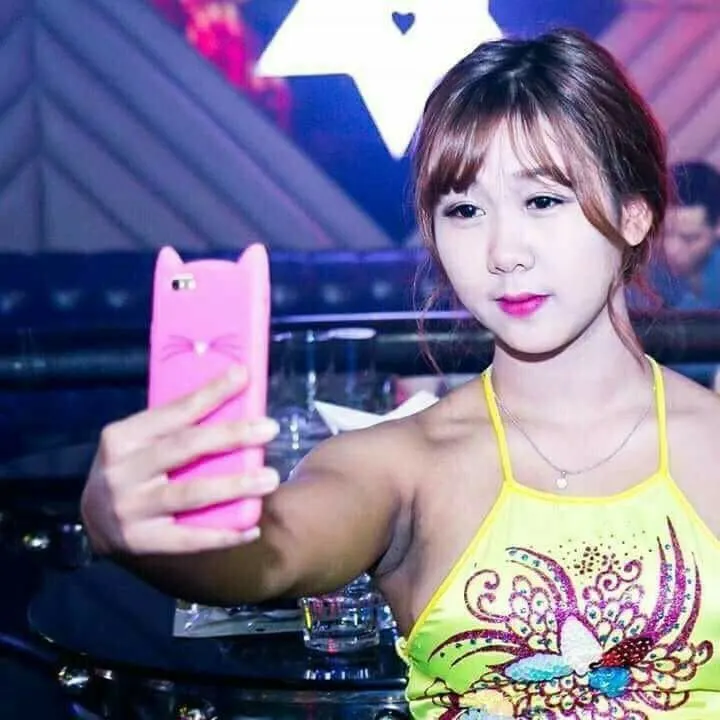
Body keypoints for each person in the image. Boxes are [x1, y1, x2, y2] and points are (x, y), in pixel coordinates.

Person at [80, 28, 720, 719]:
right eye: (465, 211)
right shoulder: (399, 464)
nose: (503, 252)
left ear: (634, 214)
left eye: (543, 200)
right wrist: (131, 521)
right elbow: (269, 555)